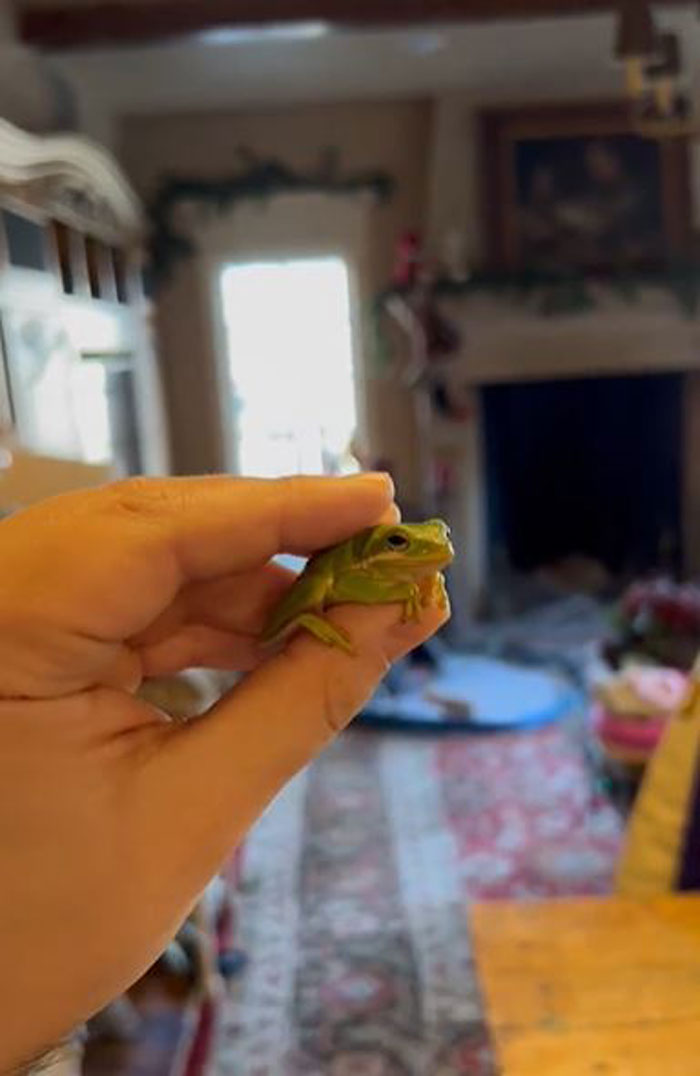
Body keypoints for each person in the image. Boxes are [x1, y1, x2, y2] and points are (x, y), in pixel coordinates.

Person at [0, 472, 448, 1073]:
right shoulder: (358, 564)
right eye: (403, 543)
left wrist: (414, 576)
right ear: (379, 547)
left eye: (436, 539)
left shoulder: (401, 563)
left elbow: (413, 568)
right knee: (314, 594)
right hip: (333, 584)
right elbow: (344, 579)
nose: (430, 547)